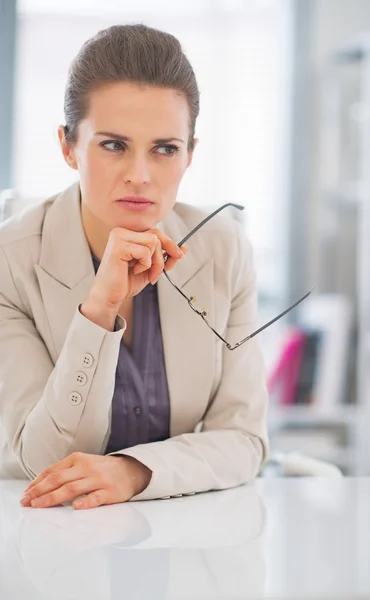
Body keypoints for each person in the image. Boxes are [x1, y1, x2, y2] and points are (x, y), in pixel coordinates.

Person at [0, 24, 268, 509]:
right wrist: (98, 312)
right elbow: (41, 462)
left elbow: (244, 440)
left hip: (180, 541)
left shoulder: (225, 249)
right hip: (44, 541)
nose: (140, 176)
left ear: (189, 155)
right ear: (68, 147)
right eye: (113, 145)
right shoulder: (10, 259)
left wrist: (135, 472)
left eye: (165, 149)